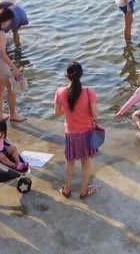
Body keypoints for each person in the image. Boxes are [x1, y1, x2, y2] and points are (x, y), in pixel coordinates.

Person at [54, 61, 99, 199]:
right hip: (86, 132)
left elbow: (57, 112)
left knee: (70, 162)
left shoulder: (60, 92)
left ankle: (66, 190)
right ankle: (83, 191)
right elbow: (95, 114)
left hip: (71, 133)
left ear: (66, 75)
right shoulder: (88, 92)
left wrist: (68, 109)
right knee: (86, 161)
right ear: (81, 75)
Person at [0, 8, 25, 123]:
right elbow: (2, 53)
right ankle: (13, 114)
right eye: (10, 20)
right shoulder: (1, 33)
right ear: (7, 20)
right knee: (12, 89)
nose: (10, 23)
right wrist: (14, 68)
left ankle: (0, 116)